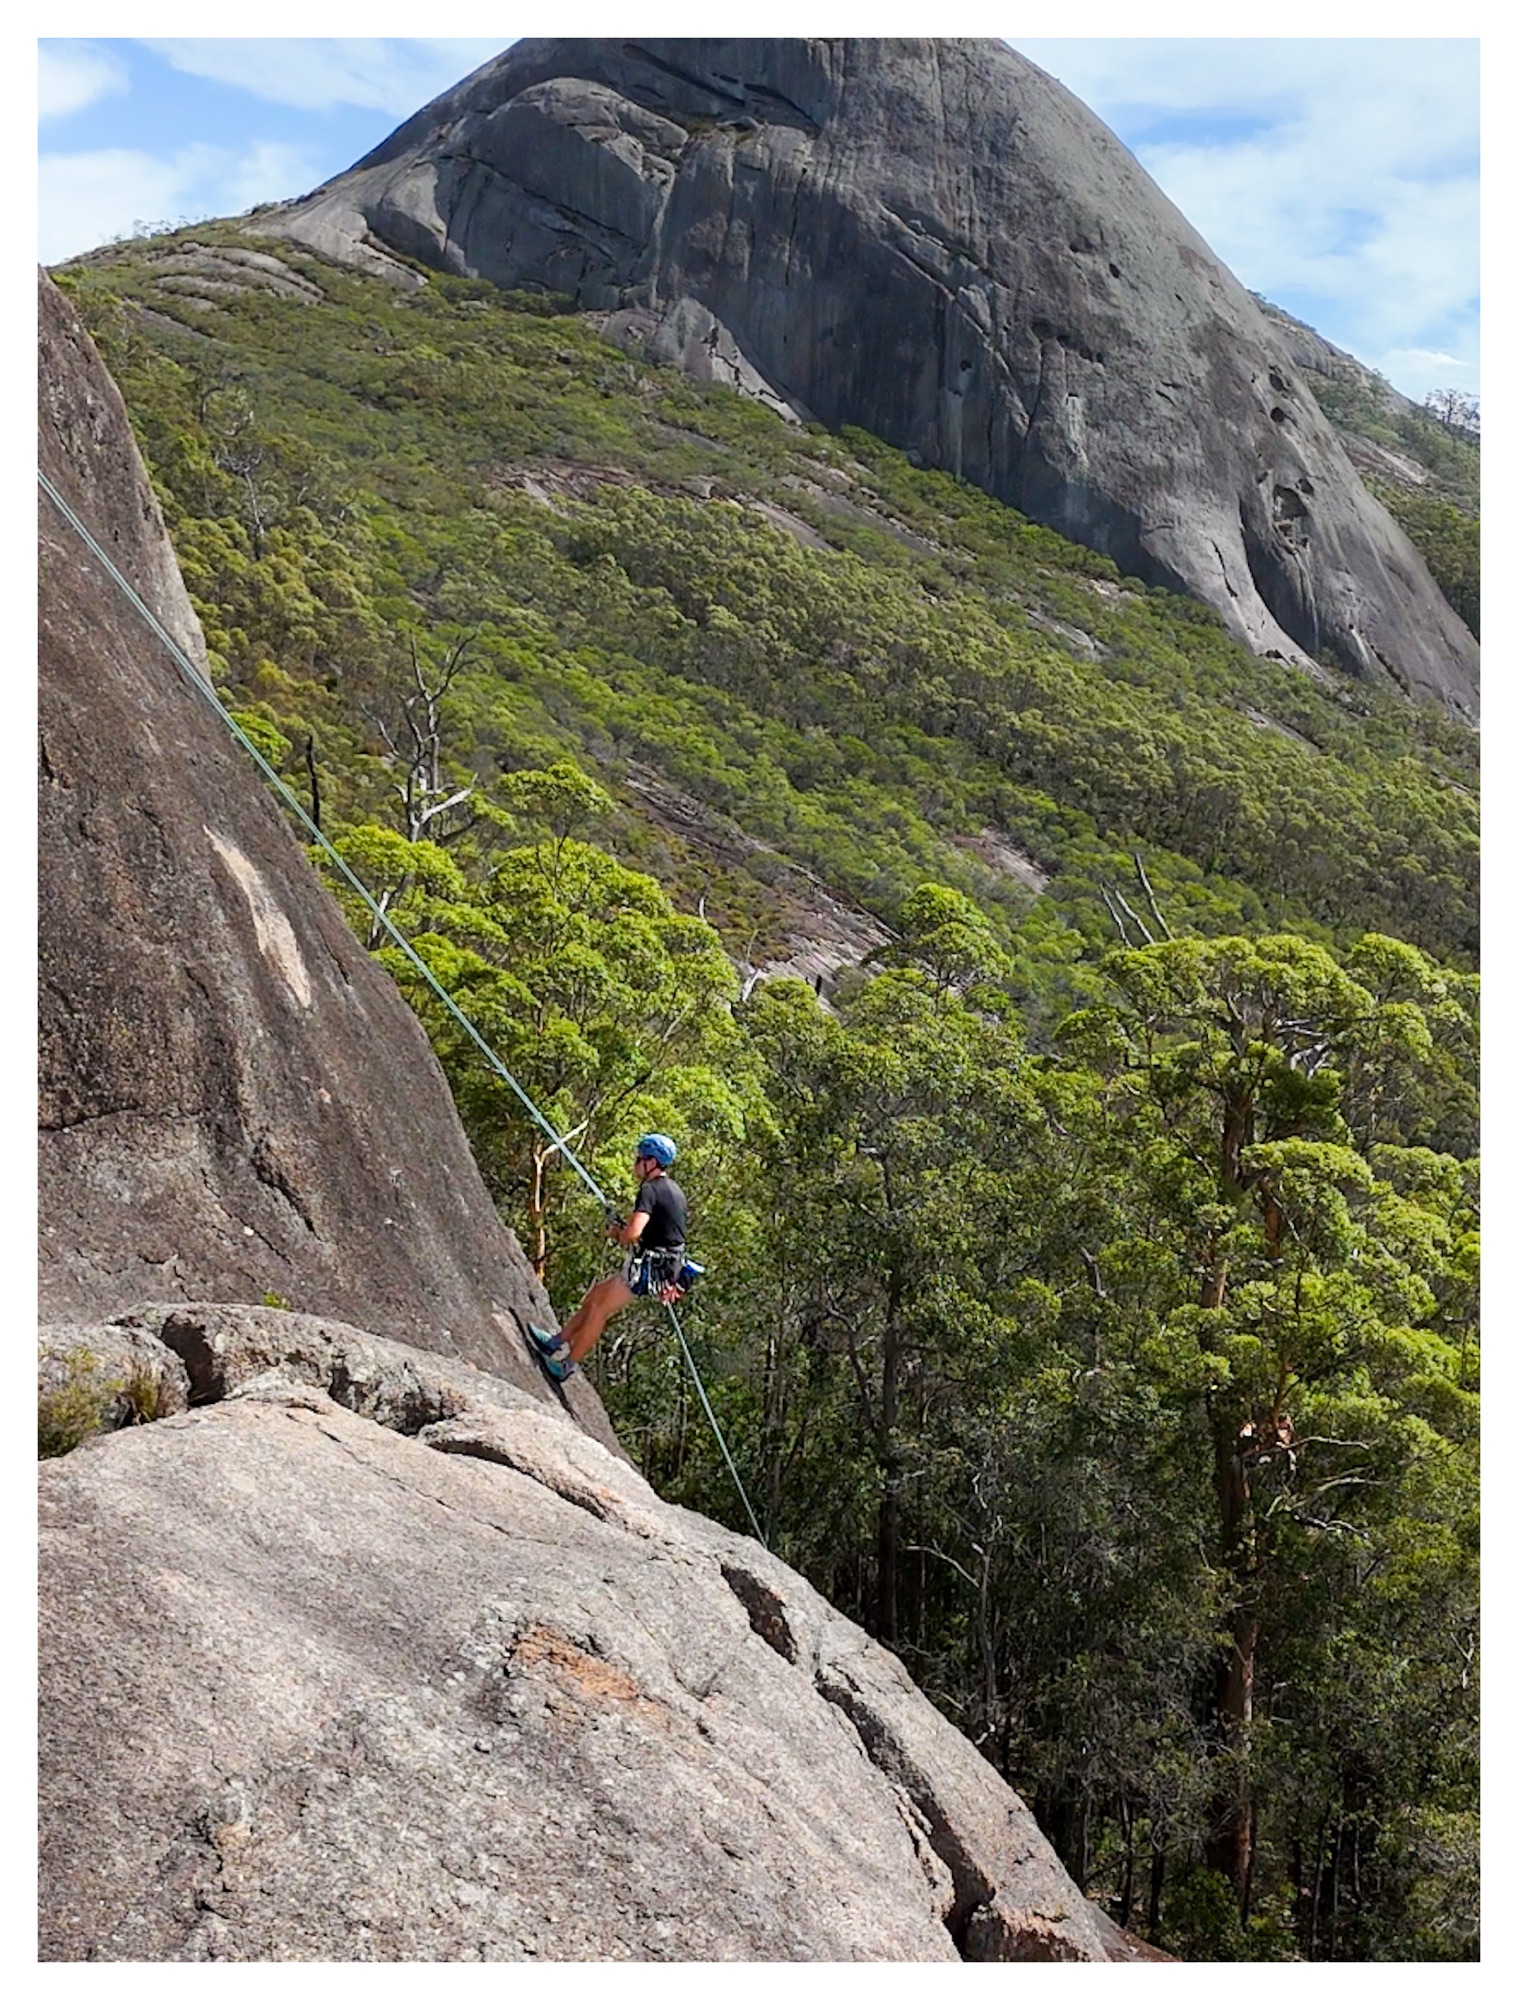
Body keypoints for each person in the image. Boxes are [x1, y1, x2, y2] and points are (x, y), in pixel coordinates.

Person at [530, 1134, 689, 1381]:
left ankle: (567, 1366)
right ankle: (556, 1342)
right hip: (662, 1264)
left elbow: (633, 1234)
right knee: (595, 1296)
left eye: (640, 1158)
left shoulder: (649, 1190)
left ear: (651, 1162)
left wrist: (617, 1233)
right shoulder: (673, 1190)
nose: (636, 1163)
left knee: (599, 1309)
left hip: (653, 1267)